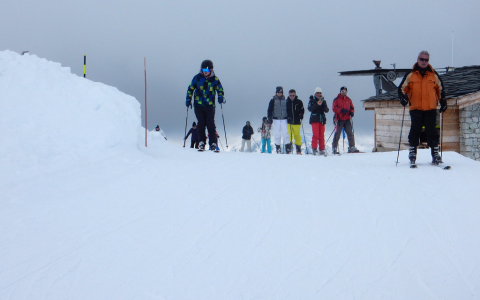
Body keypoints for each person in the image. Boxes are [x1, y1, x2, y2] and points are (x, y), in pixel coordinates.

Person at [398, 50, 446, 164]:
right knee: (415, 129)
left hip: (430, 108)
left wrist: (443, 102)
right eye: (422, 59)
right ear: (417, 59)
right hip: (415, 107)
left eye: (426, 60)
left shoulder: (433, 75)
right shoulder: (411, 74)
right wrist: (403, 98)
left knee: (432, 131)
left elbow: (441, 89)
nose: (424, 61)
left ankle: (435, 154)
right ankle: (412, 153)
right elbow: (401, 88)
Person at [186, 59, 224, 151]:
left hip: (210, 105)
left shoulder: (215, 79)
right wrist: (188, 99)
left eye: (207, 71)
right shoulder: (197, 78)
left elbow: (220, 89)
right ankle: (201, 142)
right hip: (198, 105)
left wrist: (220, 97)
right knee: (201, 123)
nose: (205, 72)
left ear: (211, 70)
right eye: (203, 70)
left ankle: (213, 143)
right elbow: (190, 88)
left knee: (211, 123)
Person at [331, 86, 359, 154]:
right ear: (340, 91)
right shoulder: (336, 99)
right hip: (339, 119)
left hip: (347, 119)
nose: (344, 92)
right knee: (337, 134)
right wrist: (341, 110)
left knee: (350, 133)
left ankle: (352, 147)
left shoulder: (348, 99)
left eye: (345, 91)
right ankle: (334, 148)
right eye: (342, 91)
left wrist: (352, 112)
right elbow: (334, 108)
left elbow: (352, 107)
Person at [267, 86, 290, 153]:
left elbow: (288, 109)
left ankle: (288, 148)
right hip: (276, 119)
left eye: (280, 92)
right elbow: (269, 110)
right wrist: (270, 118)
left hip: (284, 119)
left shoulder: (285, 100)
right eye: (278, 92)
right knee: (277, 134)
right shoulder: (273, 100)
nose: (279, 93)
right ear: (276, 93)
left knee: (285, 133)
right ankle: (278, 148)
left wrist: (289, 117)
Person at [308, 87, 329, 156]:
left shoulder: (324, 101)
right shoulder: (312, 100)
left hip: (322, 120)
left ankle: (322, 149)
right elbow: (310, 109)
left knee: (321, 135)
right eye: (317, 93)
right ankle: (314, 149)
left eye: (320, 93)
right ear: (315, 93)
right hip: (314, 119)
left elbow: (327, 110)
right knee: (315, 135)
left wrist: (322, 104)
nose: (319, 94)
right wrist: (317, 104)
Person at [286, 89, 305, 154]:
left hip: (297, 121)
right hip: (289, 122)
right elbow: (285, 111)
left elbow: (302, 110)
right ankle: (289, 149)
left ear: (295, 95)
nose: (292, 96)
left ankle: (298, 149)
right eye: (290, 95)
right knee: (289, 135)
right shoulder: (286, 102)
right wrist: (287, 117)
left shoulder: (299, 102)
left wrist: (301, 115)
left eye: (293, 95)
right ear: (288, 95)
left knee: (297, 135)